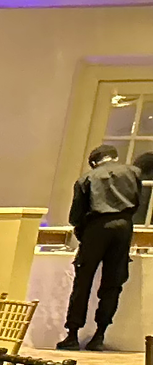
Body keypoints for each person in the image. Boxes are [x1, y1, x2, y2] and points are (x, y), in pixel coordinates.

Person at [61, 143, 145, 351]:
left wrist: (82, 231)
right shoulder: (133, 172)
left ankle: (72, 334)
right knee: (113, 282)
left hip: (96, 227)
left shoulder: (87, 178)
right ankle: (99, 334)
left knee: (83, 281)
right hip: (124, 226)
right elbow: (137, 202)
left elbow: (75, 216)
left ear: (94, 162)